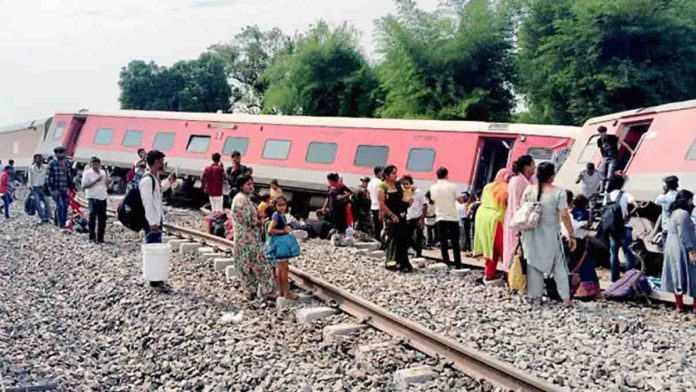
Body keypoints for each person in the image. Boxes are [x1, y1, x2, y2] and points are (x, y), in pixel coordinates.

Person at [521, 162, 575, 304]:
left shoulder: (529, 190)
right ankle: (566, 298)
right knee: (559, 266)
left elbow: (523, 210)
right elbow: (564, 214)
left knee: (533, 264)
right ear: (552, 176)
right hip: (551, 234)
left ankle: (536, 297)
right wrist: (571, 234)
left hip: (531, 234)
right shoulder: (559, 192)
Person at [231, 175, 276, 300]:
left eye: (252, 184)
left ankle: (250, 291)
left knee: (247, 265)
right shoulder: (241, 200)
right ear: (241, 186)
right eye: (248, 184)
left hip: (246, 238)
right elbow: (249, 220)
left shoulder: (243, 198)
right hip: (248, 239)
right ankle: (268, 291)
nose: (251, 186)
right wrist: (261, 222)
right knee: (261, 264)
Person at [661, 190, 696, 313]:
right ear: (686, 200)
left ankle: (679, 306)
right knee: (692, 275)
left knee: (676, 275)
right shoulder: (683, 214)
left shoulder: (673, 213)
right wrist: (692, 250)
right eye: (691, 200)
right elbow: (685, 234)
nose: (692, 202)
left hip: (672, 246)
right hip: (681, 247)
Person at [473, 169, 510, 280]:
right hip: (496, 219)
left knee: (491, 249)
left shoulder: (487, 186)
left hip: (482, 218)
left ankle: (489, 274)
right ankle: (510, 276)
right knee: (504, 249)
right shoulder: (505, 188)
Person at [503, 155, 536, 272]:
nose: (535, 167)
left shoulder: (527, 180)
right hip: (518, 220)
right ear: (527, 166)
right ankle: (514, 275)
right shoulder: (517, 181)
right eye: (533, 164)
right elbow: (517, 204)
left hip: (524, 220)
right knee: (515, 248)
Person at [430, 167, 465, 269]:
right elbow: (461, 201)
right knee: (455, 242)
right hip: (452, 217)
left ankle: (446, 262)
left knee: (443, 241)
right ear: (446, 175)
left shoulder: (433, 188)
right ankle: (458, 263)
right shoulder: (453, 186)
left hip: (440, 217)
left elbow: (433, 199)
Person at [378, 165, 412, 272]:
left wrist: (408, 199)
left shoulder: (398, 185)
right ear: (387, 175)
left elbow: (404, 198)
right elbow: (382, 204)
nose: (395, 175)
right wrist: (391, 215)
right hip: (391, 216)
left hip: (401, 215)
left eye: (396, 173)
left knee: (402, 239)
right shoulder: (383, 187)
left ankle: (403, 263)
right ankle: (391, 261)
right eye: (393, 173)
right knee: (393, 239)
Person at [567, 194, 600, 299]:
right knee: (585, 265)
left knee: (573, 265)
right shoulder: (586, 214)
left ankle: (573, 289)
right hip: (581, 242)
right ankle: (590, 290)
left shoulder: (570, 213)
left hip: (572, 241)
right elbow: (587, 225)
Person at [604, 175, 636, 282]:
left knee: (613, 254)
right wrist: (628, 214)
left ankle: (614, 279)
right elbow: (636, 205)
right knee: (627, 253)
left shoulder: (607, 196)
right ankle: (629, 279)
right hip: (624, 227)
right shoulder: (625, 195)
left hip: (612, 228)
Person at [267, 196, 299, 300]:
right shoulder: (277, 216)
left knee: (281, 269)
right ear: (275, 206)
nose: (282, 207)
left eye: (283, 205)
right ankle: (287, 292)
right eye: (279, 205)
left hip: (280, 243)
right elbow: (270, 230)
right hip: (281, 244)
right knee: (283, 269)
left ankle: (281, 291)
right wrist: (284, 231)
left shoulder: (281, 215)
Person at [81, 157, 110, 243]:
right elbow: (84, 185)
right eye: (93, 164)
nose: (95, 166)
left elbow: (106, 185)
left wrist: (108, 182)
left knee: (102, 218)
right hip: (92, 197)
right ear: (91, 164)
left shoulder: (103, 172)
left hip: (102, 196)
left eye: (97, 164)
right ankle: (91, 237)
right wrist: (95, 180)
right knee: (92, 216)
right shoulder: (87, 173)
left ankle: (101, 238)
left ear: (99, 165)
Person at [47, 147, 74, 230]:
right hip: (56, 189)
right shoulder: (52, 163)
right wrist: (52, 189)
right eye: (61, 153)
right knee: (60, 206)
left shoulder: (67, 163)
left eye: (64, 153)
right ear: (56, 154)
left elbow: (69, 176)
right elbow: (49, 177)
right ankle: (60, 225)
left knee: (65, 206)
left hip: (65, 188)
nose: (63, 155)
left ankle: (61, 223)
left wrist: (71, 187)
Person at [401, 175, 427, 258]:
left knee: (418, 238)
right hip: (408, 217)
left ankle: (418, 254)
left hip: (417, 217)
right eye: (403, 183)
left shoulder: (418, 192)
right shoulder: (403, 192)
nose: (405, 185)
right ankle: (412, 250)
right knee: (407, 237)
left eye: (406, 183)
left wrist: (422, 219)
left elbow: (425, 205)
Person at [655, 175, 679, 243]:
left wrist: (664, 192)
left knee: (667, 250)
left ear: (667, 186)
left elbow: (657, 203)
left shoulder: (662, 197)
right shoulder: (681, 196)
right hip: (678, 228)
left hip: (666, 228)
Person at [28, 154, 51, 224]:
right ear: (35, 159)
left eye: (40, 158)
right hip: (35, 188)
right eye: (38, 159)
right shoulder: (31, 168)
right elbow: (30, 178)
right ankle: (42, 217)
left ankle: (47, 216)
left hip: (43, 187)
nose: (40, 160)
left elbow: (49, 171)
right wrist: (30, 187)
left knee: (47, 202)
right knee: (37, 203)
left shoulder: (45, 167)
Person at [597, 126, 619, 191]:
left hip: (613, 157)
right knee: (602, 173)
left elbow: (621, 141)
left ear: (605, 132)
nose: (602, 134)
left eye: (603, 132)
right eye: (600, 133)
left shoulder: (612, 137)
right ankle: (601, 188)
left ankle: (607, 187)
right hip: (605, 157)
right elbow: (601, 149)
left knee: (610, 173)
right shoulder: (599, 140)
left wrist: (630, 150)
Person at [368, 166, 384, 243]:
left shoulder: (370, 182)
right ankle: (381, 242)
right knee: (381, 227)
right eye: (382, 172)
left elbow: (368, 194)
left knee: (376, 226)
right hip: (380, 207)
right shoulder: (380, 183)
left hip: (373, 206)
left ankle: (377, 241)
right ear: (378, 173)